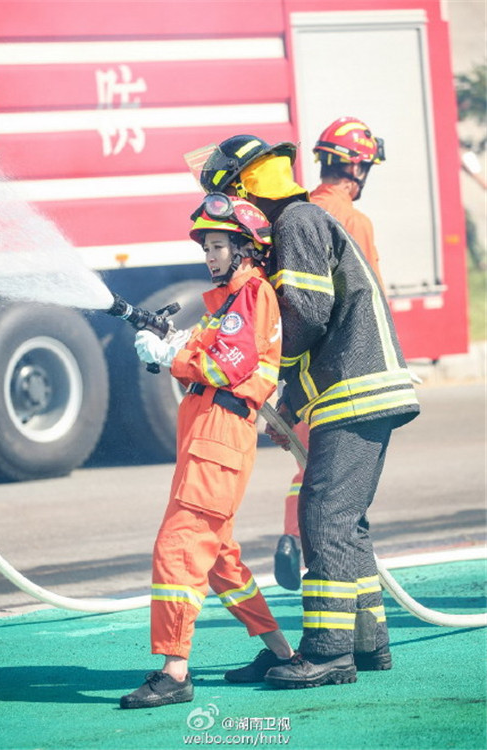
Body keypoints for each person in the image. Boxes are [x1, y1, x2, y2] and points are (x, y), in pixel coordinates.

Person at [199, 134, 420, 690]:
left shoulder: (297, 222)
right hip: (348, 390)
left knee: (323, 516)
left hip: (356, 389)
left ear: (245, 188)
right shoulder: (298, 223)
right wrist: (292, 400)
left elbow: (308, 314)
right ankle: (369, 645)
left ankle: (327, 652)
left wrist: (266, 379)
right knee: (348, 522)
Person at [120, 195, 294, 709]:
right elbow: (212, 354)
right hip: (209, 437)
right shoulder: (230, 305)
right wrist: (173, 344)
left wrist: (173, 356)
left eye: (219, 246)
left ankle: (175, 672)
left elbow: (227, 367)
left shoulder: (252, 296)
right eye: (208, 247)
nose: (210, 255)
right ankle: (280, 653)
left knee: (177, 548)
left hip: (218, 438)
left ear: (245, 250)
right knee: (218, 559)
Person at [274, 117, 386, 591]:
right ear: (359, 168)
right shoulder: (354, 221)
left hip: (300, 371)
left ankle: (290, 533)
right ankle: (337, 613)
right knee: (340, 492)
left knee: (311, 467)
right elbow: (371, 299)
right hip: (345, 373)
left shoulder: (297, 214)